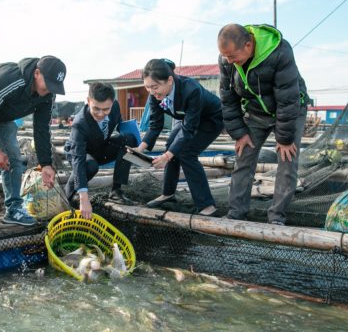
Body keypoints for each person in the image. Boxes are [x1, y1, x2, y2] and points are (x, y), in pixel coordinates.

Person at [0, 56, 66, 232]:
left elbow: (41, 129)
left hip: (2, 115)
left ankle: (14, 208)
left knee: (14, 156)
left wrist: (46, 164)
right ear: (37, 73)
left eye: (54, 88)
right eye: (48, 86)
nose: (49, 91)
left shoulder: (47, 96)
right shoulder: (11, 80)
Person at [217, 23, 310, 225]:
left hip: (289, 110)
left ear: (249, 45)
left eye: (232, 56)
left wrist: (284, 138)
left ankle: (277, 217)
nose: (228, 61)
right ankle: (236, 214)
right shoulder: (226, 61)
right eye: (225, 57)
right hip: (256, 113)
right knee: (244, 157)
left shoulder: (279, 51)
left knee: (287, 162)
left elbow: (288, 98)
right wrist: (239, 133)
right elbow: (227, 98)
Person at [136, 58, 224, 216]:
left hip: (211, 118)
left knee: (186, 153)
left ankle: (207, 205)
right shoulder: (154, 96)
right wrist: (139, 149)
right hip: (188, 120)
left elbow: (188, 130)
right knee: (172, 145)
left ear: (169, 80)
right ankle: (168, 193)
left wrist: (167, 156)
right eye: (147, 87)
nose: (152, 92)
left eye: (155, 87)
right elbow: (156, 125)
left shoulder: (191, 90)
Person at [64, 82, 137, 219]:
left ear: (112, 103)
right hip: (79, 152)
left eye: (105, 110)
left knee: (129, 139)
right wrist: (84, 199)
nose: (100, 114)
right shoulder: (79, 124)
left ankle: (116, 191)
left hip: (100, 147)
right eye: (96, 108)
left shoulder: (114, 106)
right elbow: (78, 159)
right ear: (88, 101)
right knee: (89, 166)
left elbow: (119, 123)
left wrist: (137, 149)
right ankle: (66, 197)